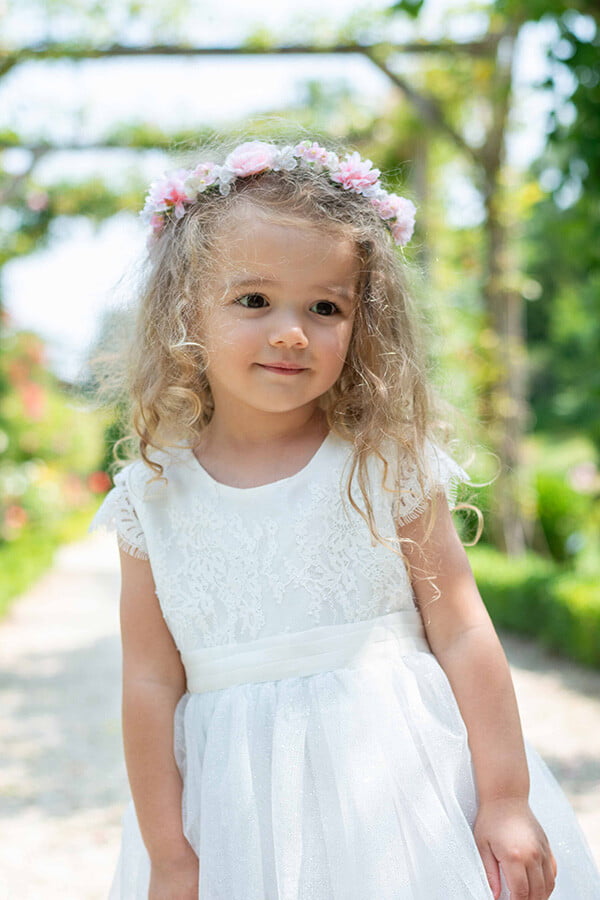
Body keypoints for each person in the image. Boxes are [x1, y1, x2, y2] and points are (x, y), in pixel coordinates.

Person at [90, 137, 600, 900]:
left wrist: (504, 798)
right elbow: (151, 684)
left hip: (405, 792)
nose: (292, 331)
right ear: (184, 308)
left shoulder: (383, 464)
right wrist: (169, 856)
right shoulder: (152, 496)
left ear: (361, 322)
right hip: (237, 816)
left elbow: (462, 632)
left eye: (325, 307)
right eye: (254, 299)